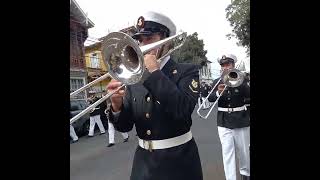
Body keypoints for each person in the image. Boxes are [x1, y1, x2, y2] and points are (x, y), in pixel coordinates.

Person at [106, 11, 203, 180]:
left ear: (166, 41)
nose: (142, 46)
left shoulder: (187, 71)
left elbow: (182, 110)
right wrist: (116, 105)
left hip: (179, 163)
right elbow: (125, 127)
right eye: (140, 40)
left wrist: (155, 72)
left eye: (149, 39)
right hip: (143, 165)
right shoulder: (134, 78)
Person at [208, 54, 250, 180]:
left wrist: (240, 81)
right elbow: (209, 98)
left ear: (233, 65)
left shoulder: (242, 80)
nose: (225, 67)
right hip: (223, 120)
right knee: (227, 154)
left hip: (241, 119)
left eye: (228, 64)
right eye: (223, 65)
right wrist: (217, 92)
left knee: (244, 153)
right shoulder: (217, 82)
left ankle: (246, 174)